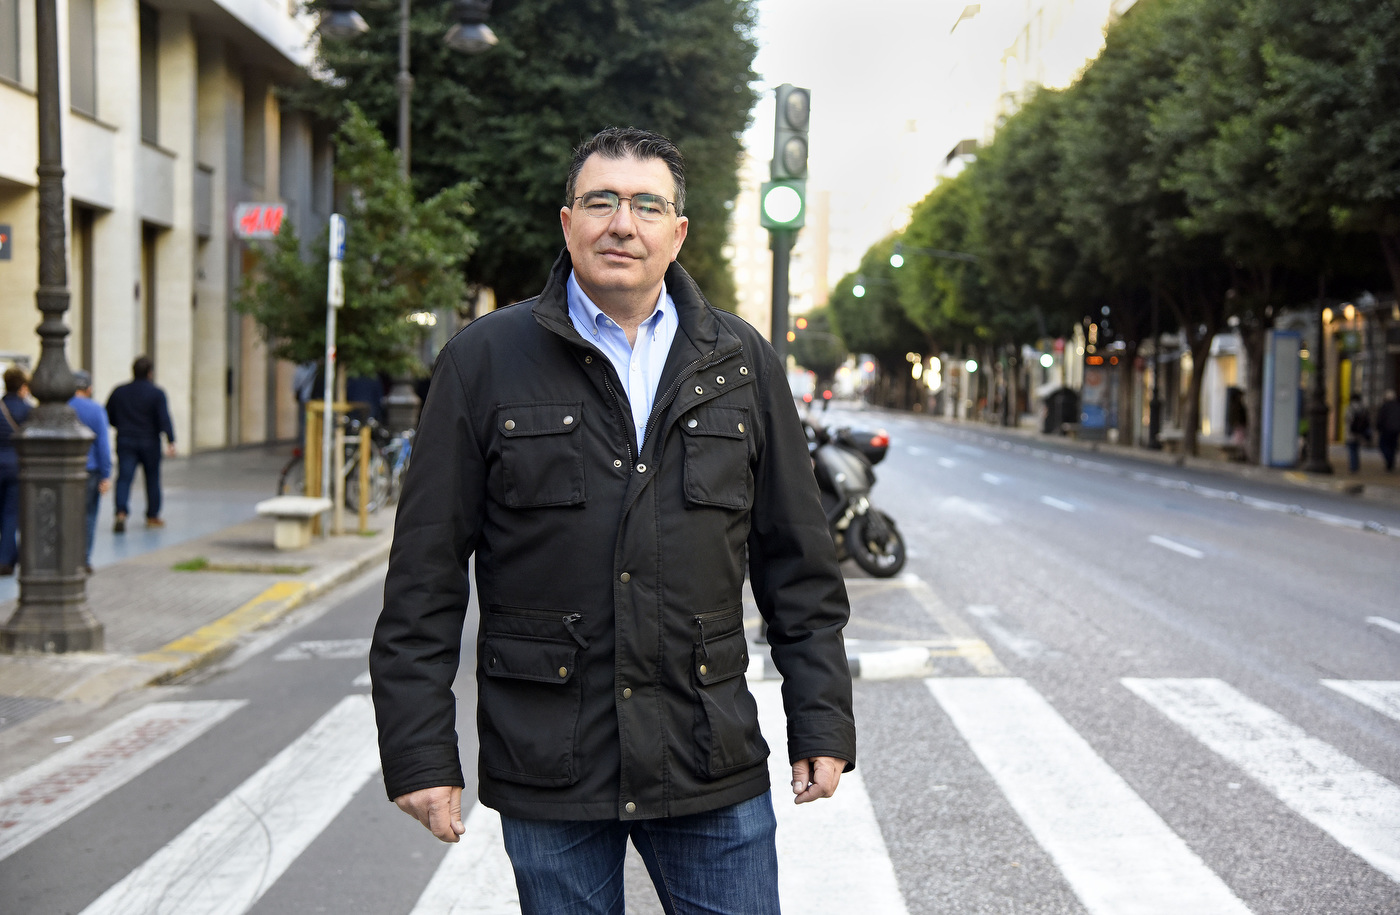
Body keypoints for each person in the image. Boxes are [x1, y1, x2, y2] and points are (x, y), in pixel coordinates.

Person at [370, 127, 855, 915]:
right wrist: (420, 752)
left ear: (677, 231)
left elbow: (797, 561)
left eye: (645, 204)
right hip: (549, 757)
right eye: (600, 201)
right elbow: (423, 575)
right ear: (568, 223)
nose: (621, 223)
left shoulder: (742, 361)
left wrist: (821, 719)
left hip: (708, 752)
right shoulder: (483, 360)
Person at [105, 355, 176, 532]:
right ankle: (152, 515)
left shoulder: (119, 391)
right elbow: (163, 417)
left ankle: (121, 512)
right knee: (152, 479)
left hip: (126, 439)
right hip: (150, 441)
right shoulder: (157, 393)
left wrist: (120, 425)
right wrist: (170, 440)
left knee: (124, 478)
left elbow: (108, 414)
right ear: (150, 373)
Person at [69, 370, 112, 573]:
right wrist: (106, 474)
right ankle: (83, 559)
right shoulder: (96, 410)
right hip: (90, 469)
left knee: (65, 514)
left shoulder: (62, 408)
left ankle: (65, 557)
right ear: (89, 389)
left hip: (64, 470)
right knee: (88, 515)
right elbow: (103, 444)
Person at [0, 366, 34, 575]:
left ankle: (9, 554)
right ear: (23, 387)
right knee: (11, 513)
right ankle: (6, 559)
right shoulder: (28, 410)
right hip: (17, 466)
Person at [1345, 396, 1371, 474]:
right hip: (1360, 432)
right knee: (1356, 449)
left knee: (1352, 449)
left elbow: (1347, 420)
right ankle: (1356, 465)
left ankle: (1353, 467)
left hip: (1351, 432)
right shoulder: (1363, 408)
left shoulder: (1349, 408)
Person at [1376, 389, 1400, 472]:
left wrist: (1378, 427)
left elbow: (1381, 418)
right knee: (1392, 446)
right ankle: (1390, 463)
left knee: (1383, 445)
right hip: (1395, 430)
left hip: (1386, 429)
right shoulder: (1397, 406)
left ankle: (1389, 460)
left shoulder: (1385, 406)